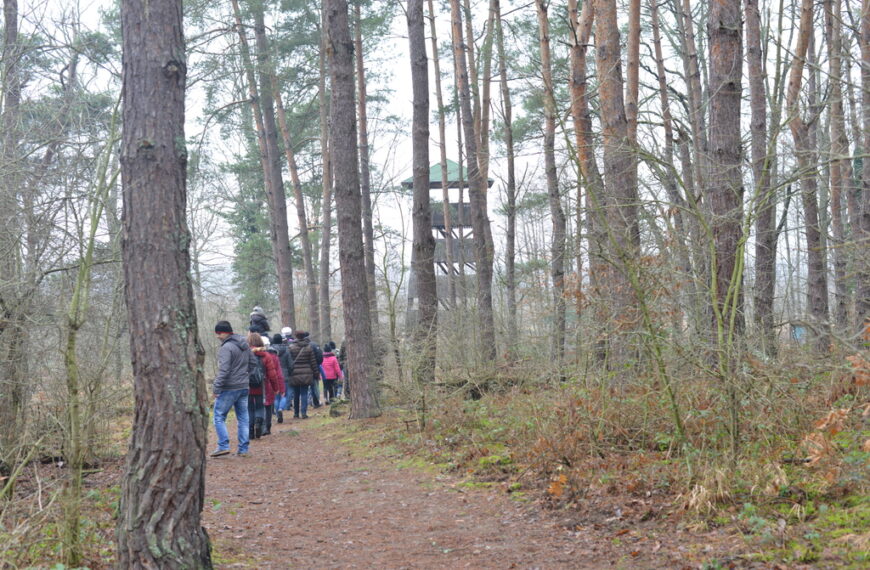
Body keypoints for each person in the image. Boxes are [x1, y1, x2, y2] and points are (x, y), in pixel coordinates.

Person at [211, 321, 250, 457]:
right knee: (243, 418)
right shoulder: (244, 345)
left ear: (223, 332)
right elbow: (253, 364)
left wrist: (216, 388)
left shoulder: (226, 348)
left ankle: (223, 446)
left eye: (218, 333)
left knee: (218, 416)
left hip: (229, 387)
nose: (217, 336)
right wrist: (245, 377)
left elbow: (224, 370)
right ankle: (243, 449)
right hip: (244, 386)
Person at [255, 336, 284, 436]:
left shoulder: (251, 355)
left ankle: (259, 425)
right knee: (268, 406)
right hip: (269, 385)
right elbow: (278, 374)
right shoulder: (273, 357)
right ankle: (267, 427)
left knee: (258, 406)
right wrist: (280, 388)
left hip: (256, 384)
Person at [287, 330, 319, 419]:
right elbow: (313, 362)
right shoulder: (309, 347)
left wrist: (289, 372)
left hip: (295, 373)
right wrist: (316, 373)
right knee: (304, 393)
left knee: (296, 393)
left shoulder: (291, 347)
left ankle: (296, 413)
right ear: (304, 336)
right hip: (306, 373)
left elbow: (289, 362)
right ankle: (304, 413)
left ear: (296, 336)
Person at [246, 332, 269, 439]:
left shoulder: (244, 354)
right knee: (260, 406)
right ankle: (259, 421)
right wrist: (275, 387)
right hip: (261, 384)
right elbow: (272, 373)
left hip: (247, 385)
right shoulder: (265, 355)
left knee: (249, 408)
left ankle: (250, 431)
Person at [271, 333, 293, 423]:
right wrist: (290, 373)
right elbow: (290, 364)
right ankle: (281, 409)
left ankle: (277, 413)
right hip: (285, 375)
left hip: (274, 375)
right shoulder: (286, 350)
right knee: (284, 395)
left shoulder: (270, 351)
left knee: (276, 397)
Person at [305, 332, 324, 408]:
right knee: (314, 385)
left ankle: (307, 402)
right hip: (314, 368)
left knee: (304, 387)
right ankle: (316, 402)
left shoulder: (296, 345)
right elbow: (320, 357)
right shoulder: (314, 345)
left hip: (302, 369)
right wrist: (317, 364)